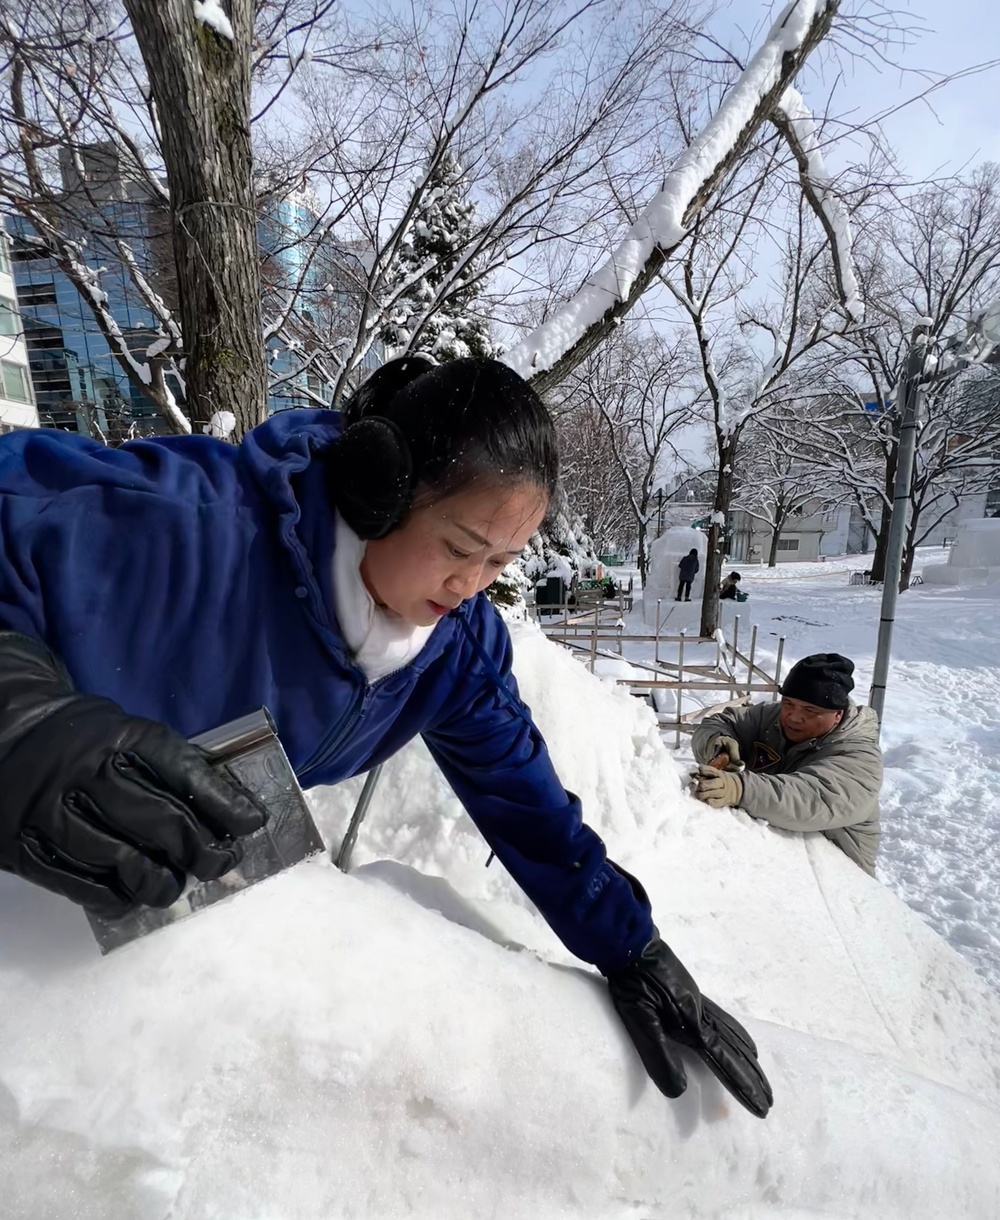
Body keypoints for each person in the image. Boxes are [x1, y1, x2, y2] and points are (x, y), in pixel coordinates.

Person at [0, 356, 771, 1118]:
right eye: (461, 546)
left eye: (500, 561)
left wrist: (631, 945)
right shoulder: (188, 523)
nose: (472, 584)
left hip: (129, 984)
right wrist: (24, 722)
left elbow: (528, 807)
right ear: (379, 489)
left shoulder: (455, 649)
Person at [690, 653, 882, 874]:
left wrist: (740, 789)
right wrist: (717, 744)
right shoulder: (772, 717)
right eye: (788, 703)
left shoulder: (859, 756)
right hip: (770, 865)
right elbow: (722, 722)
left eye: (810, 711)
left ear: (837, 715)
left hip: (837, 885)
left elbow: (813, 799)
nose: (794, 717)